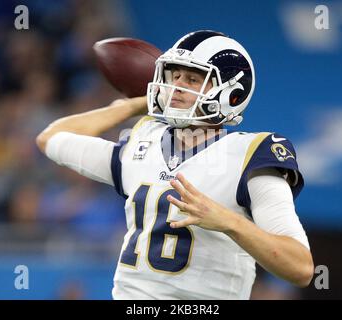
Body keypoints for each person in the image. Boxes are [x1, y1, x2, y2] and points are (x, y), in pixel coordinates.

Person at [36, 30, 314, 299]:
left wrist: (229, 222)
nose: (177, 86)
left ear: (232, 94)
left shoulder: (250, 155)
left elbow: (300, 268)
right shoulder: (143, 142)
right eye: (174, 75)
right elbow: (51, 138)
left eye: (193, 79)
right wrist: (127, 107)